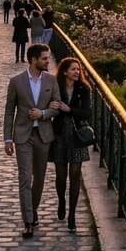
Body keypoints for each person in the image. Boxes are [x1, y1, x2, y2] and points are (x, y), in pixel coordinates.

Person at [3, 43, 62, 239]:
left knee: (39, 179)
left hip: (43, 135)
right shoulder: (16, 82)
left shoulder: (51, 81)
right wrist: (7, 138)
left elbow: (56, 107)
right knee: (25, 178)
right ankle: (28, 220)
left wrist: (43, 113)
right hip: (23, 136)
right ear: (34, 60)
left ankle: (33, 209)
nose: (48, 61)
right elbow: (9, 111)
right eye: (44, 58)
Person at [52, 56, 92, 232]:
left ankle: (72, 216)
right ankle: (61, 201)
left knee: (75, 175)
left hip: (76, 136)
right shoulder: (56, 87)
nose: (77, 72)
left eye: (78, 69)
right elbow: (48, 106)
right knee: (61, 176)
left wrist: (70, 110)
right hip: (60, 134)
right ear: (65, 71)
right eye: (73, 69)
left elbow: (87, 113)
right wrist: (52, 106)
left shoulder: (84, 89)